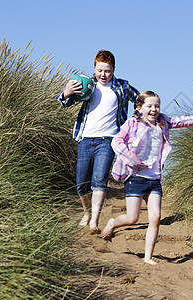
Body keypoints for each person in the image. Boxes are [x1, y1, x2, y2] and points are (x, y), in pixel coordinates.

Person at [101, 91, 193, 264]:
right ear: (140, 108)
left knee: (155, 217)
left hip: (154, 180)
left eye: (157, 106)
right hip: (135, 178)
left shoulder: (163, 123)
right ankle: (113, 223)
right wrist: (134, 161)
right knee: (132, 218)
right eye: (149, 106)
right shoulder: (132, 123)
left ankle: (148, 257)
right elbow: (116, 142)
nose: (154, 109)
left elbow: (186, 120)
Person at [55, 50, 139, 234]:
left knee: (99, 181)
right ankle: (86, 212)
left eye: (107, 71)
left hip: (108, 140)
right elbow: (64, 103)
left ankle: (94, 221)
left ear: (113, 70)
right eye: (100, 70)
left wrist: (136, 118)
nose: (103, 74)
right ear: (94, 68)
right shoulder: (87, 84)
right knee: (81, 184)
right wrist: (66, 93)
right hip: (85, 139)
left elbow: (139, 99)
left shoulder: (122, 86)